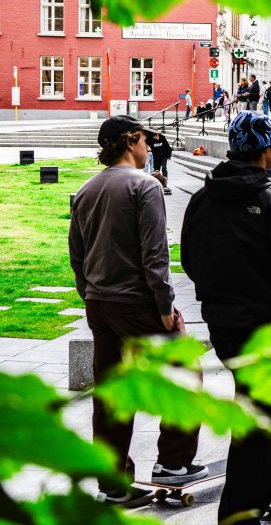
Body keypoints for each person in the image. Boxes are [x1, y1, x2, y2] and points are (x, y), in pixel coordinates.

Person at [69, 115, 206, 504]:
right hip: (138, 303)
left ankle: (112, 482)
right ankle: (174, 463)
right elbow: (155, 254)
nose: (149, 148)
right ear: (131, 141)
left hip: (100, 304)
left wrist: (88, 294)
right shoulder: (145, 187)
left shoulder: (85, 190)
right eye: (146, 141)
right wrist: (165, 307)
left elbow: (76, 254)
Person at [181, 111, 271, 525]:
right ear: (267, 151)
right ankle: (237, 513)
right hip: (268, 330)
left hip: (224, 325)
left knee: (262, 408)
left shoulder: (202, 200)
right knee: (261, 417)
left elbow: (190, 260)